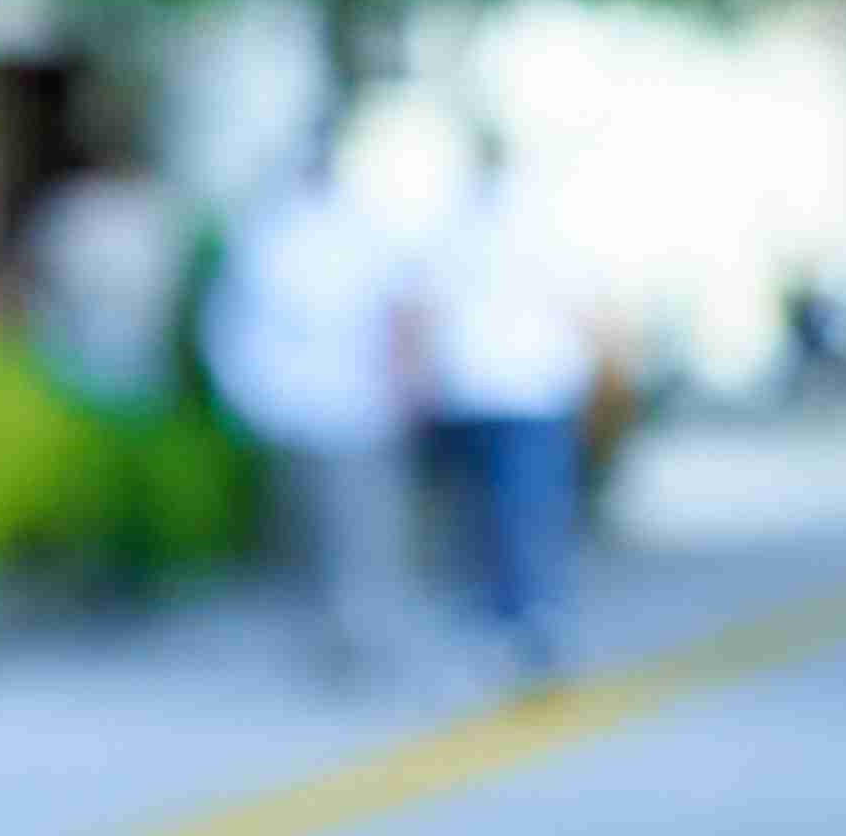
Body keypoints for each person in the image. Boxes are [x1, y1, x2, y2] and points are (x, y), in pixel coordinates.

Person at [199, 134, 427, 686]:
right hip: (316, 403)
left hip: (331, 402)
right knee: (343, 527)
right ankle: (343, 631)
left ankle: (352, 632)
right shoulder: (283, 233)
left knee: (340, 526)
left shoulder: (302, 232)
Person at [413, 121, 600, 685]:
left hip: (474, 388)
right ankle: (529, 614)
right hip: (532, 388)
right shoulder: (541, 222)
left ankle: (507, 615)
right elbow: (587, 307)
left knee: (487, 508)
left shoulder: (451, 225)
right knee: (530, 505)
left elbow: (424, 310)